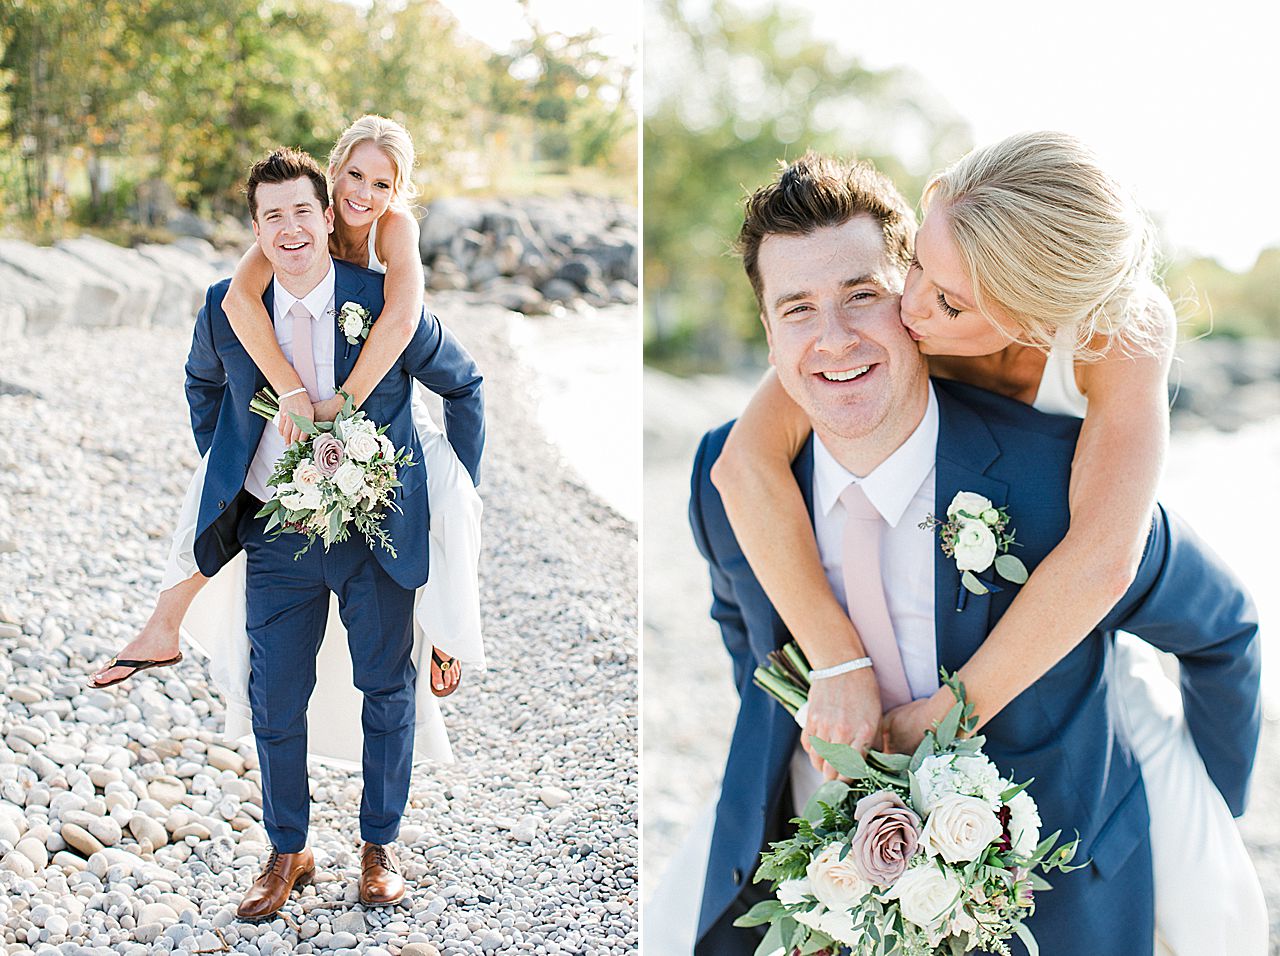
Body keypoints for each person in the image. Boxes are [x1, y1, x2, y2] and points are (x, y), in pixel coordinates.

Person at [688, 152, 1261, 955]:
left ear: (1029, 315)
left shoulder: (1109, 348)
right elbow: (741, 468)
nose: (910, 305)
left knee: (1216, 911)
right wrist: (836, 668)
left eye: (946, 299)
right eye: (916, 263)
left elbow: (1106, 559)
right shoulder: (887, 310)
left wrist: (948, 716)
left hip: (1069, 626)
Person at [90, 117, 483, 752]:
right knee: (221, 471)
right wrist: (288, 405)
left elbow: (403, 317)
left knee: (454, 505)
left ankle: (443, 634)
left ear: (398, 189)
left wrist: (345, 406)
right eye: (353, 175)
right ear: (332, 178)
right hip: (299, 413)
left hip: (376, 402)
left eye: (382, 183)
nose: (364, 194)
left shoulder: (395, 229)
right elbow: (238, 306)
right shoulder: (291, 222)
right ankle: (163, 626)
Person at [184, 147, 483, 919]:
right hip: (277, 540)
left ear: (329, 217)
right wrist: (234, 468)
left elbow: (465, 385)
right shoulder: (227, 305)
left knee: (386, 691)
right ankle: (288, 851)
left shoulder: (382, 303)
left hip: (374, 534)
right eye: (272, 215)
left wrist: (449, 492)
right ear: (256, 228)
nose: (290, 229)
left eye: (302, 212)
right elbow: (202, 384)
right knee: (273, 700)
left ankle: (379, 847)